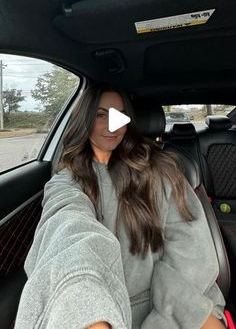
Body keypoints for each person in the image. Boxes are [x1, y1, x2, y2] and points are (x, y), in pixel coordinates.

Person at [15, 84, 226, 329]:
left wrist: (171, 316)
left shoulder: (161, 169)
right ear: (84, 119)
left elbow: (190, 248)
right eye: (100, 115)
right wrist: (84, 301)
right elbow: (69, 229)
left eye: (119, 115)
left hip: (176, 301)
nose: (111, 125)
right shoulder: (68, 180)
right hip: (103, 303)